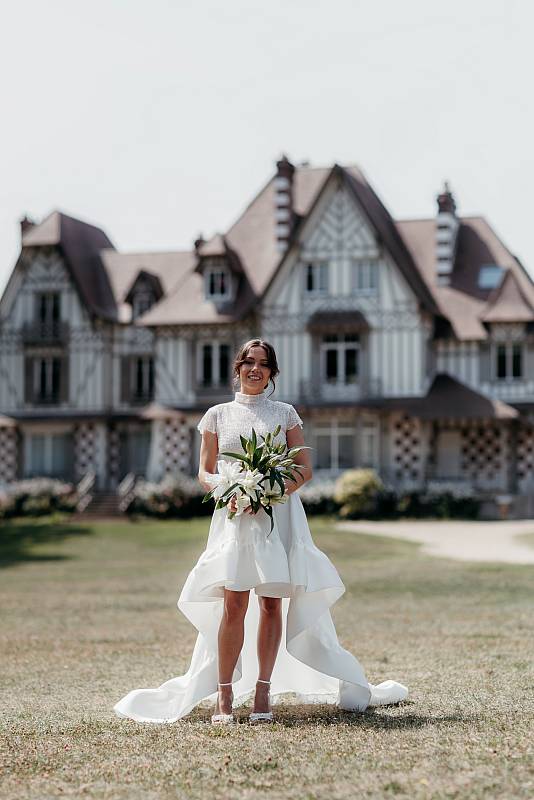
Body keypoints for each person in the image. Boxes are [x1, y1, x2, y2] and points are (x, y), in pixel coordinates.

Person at [113, 338, 408, 725]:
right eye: (249, 362)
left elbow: (303, 469)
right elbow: (204, 472)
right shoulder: (216, 414)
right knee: (233, 602)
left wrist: (270, 492)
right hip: (234, 515)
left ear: (272, 373)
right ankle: (224, 694)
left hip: (278, 516)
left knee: (271, 602)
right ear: (237, 368)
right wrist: (229, 492)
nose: (256, 369)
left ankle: (263, 691)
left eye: (264, 364)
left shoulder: (285, 414)